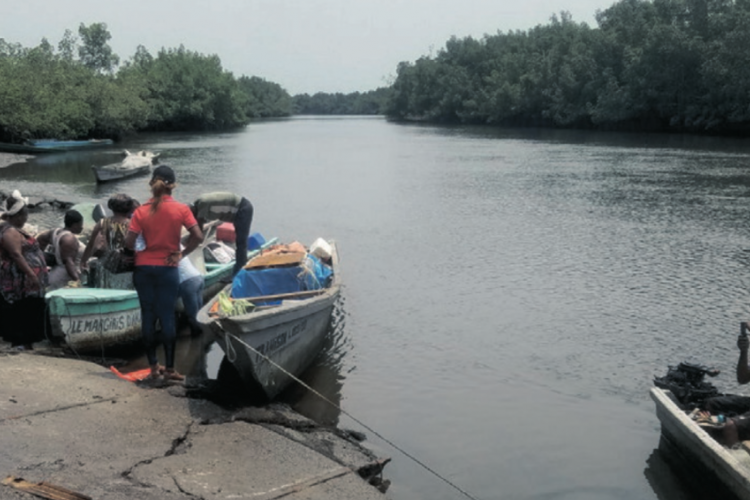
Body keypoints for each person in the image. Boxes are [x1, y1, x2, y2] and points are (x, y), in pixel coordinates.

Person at [124, 165, 203, 381]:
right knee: (168, 317)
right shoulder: (181, 209)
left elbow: (129, 242)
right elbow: (198, 236)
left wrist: (141, 250)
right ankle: (169, 370)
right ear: (173, 185)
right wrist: (181, 254)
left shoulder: (140, 211)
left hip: (143, 269)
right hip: (168, 268)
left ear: (152, 184)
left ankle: (152, 367)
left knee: (147, 317)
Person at [0, 190, 49, 349]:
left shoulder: (13, 229)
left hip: (26, 278)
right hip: (21, 279)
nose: (27, 217)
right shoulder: (10, 231)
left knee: (30, 307)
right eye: (25, 213)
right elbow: (16, 254)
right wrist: (31, 274)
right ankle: (21, 341)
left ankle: (27, 341)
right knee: (23, 309)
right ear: (18, 215)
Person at [80, 193, 137, 289]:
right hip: (129, 262)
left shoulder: (102, 222)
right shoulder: (132, 223)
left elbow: (90, 244)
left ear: (111, 207)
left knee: (95, 265)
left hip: (111, 261)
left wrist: (83, 260)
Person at [191, 192, 253, 276]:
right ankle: (237, 269)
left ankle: (239, 273)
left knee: (241, 243)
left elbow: (199, 230)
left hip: (242, 208)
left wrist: (189, 246)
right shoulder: (199, 203)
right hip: (235, 210)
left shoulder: (202, 205)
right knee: (240, 244)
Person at [36, 210, 85, 291]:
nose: (82, 227)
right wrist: (77, 280)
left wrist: (39, 257)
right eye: (81, 224)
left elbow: (40, 240)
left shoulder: (56, 232)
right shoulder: (69, 239)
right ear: (75, 225)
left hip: (55, 272)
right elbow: (68, 262)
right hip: (65, 277)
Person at [178, 248, 204, 336]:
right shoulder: (178, 246)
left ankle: (197, 338)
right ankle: (204, 333)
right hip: (198, 277)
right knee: (199, 311)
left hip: (187, 282)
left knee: (192, 314)